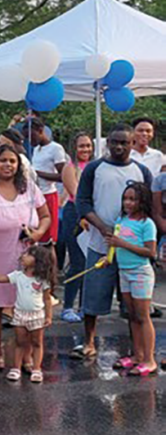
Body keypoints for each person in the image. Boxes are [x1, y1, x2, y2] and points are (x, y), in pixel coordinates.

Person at [71, 124, 153, 360]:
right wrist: (102, 227)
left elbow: (147, 206)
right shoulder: (95, 168)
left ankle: (136, 350)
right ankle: (89, 342)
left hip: (131, 251)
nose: (119, 147)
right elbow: (83, 202)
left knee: (133, 304)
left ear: (132, 144)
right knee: (93, 295)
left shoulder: (141, 171)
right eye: (114, 142)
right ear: (107, 144)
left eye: (124, 143)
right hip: (100, 244)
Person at [0, 144, 50, 370]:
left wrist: (38, 233)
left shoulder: (30, 188)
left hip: (27, 258)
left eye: (12, 161)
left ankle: (26, 355)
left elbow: (45, 216)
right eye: (3, 160)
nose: (8, 165)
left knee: (27, 307)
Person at [107, 183, 158, 376]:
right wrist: (108, 257)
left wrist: (122, 243)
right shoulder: (121, 220)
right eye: (125, 199)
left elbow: (150, 252)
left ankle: (149, 360)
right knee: (132, 315)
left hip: (140, 273)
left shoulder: (147, 224)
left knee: (143, 316)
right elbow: (114, 246)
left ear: (142, 201)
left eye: (133, 199)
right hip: (124, 271)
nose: (128, 203)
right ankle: (137, 355)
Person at [0, 245, 55, 382]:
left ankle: (37, 369)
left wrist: (48, 316)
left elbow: (47, 299)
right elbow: (1, 278)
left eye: (28, 254)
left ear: (38, 260)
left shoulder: (43, 280)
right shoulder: (18, 276)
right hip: (20, 314)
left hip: (37, 315)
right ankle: (16, 368)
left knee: (37, 342)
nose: (23, 256)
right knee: (20, 342)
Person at [59, 133, 94, 323]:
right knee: (77, 262)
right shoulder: (70, 168)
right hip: (75, 214)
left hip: (92, 215)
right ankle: (67, 307)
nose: (85, 149)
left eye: (88, 145)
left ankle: (84, 306)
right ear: (74, 147)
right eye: (82, 146)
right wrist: (84, 215)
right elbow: (76, 194)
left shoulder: (95, 166)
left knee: (89, 264)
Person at [24, 118, 66, 244]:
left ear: (41, 131)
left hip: (48, 195)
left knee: (48, 238)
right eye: (27, 138)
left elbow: (62, 177)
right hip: (35, 195)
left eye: (32, 136)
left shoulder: (55, 148)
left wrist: (37, 173)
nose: (30, 141)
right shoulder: (36, 149)